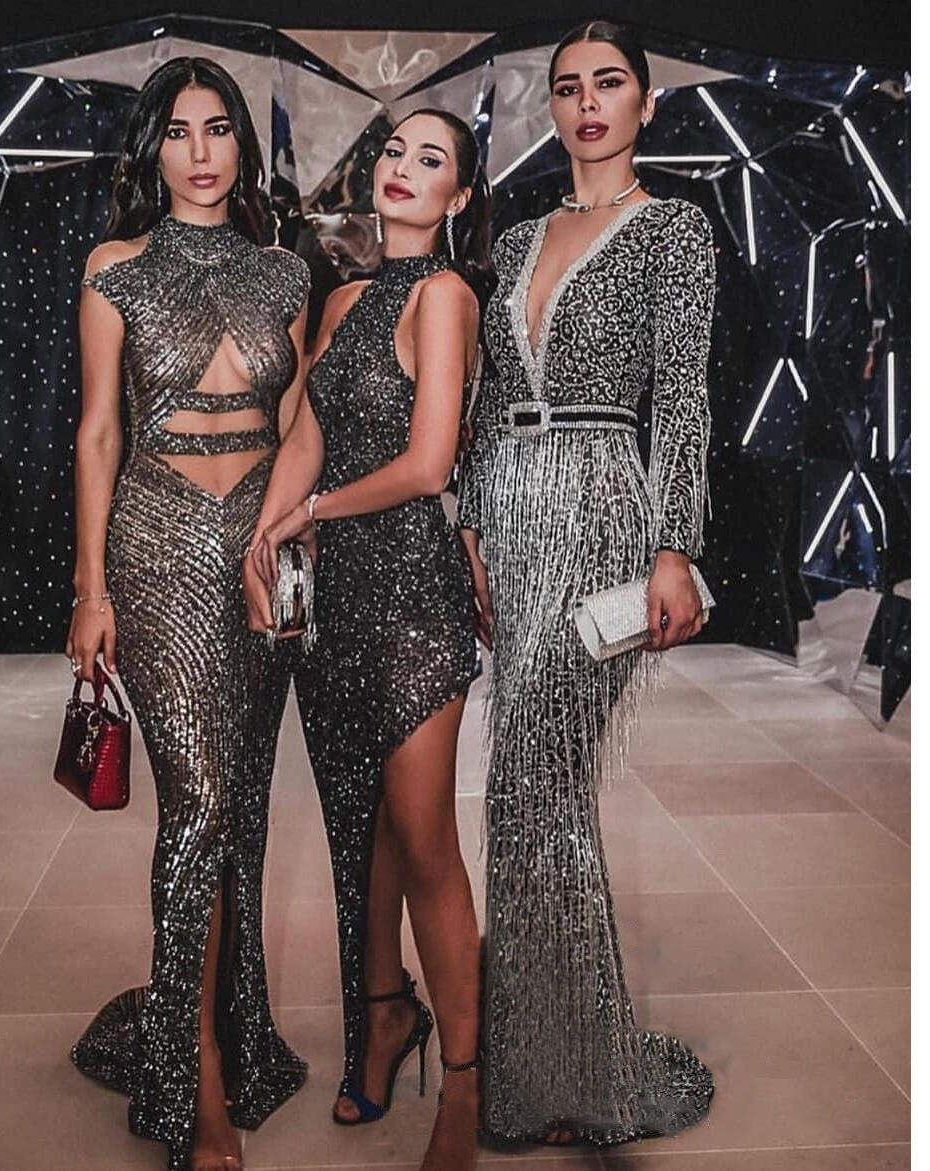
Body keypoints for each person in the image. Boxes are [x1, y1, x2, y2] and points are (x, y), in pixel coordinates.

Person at [456, 20, 717, 1148]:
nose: (588, 103)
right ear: (551, 108)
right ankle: (544, 1057)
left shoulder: (675, 230)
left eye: (609, 83)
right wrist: (470, 518)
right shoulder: (517, 237)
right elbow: (482, 396)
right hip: (510, 510)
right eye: (568, 87)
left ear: (645, 103)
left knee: (534, 776)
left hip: (607, 507)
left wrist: (674, 545)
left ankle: (577, 1070)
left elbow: (687, 397)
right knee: (531, 790)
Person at [64, 57, 311, 1171]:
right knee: (200, 806)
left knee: (243, 817)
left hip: (259, 553)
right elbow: (98, 433)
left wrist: (286, 544)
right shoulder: (114, 267)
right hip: (157, 546)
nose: (201, 152)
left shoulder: (283, 272)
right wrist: (91, 589)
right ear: (152, 149)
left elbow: (296, 427)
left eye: (219, 130)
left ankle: (233, 1032)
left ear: (242, 148)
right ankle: (195, 1084)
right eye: (179, 131)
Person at [243, 109, 492, 1171]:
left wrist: (310, 514)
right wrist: (264, 533)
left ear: (458, 198)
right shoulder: (344, 298)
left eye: (430, 161)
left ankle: (465, 1090)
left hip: (414, 598)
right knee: (364, 826)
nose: (402, 169)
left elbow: (429, 465)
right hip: (334, 605)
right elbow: (306, 432)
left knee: (425, 838)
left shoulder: (447, 296)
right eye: (395, 152)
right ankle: (386, 1015)